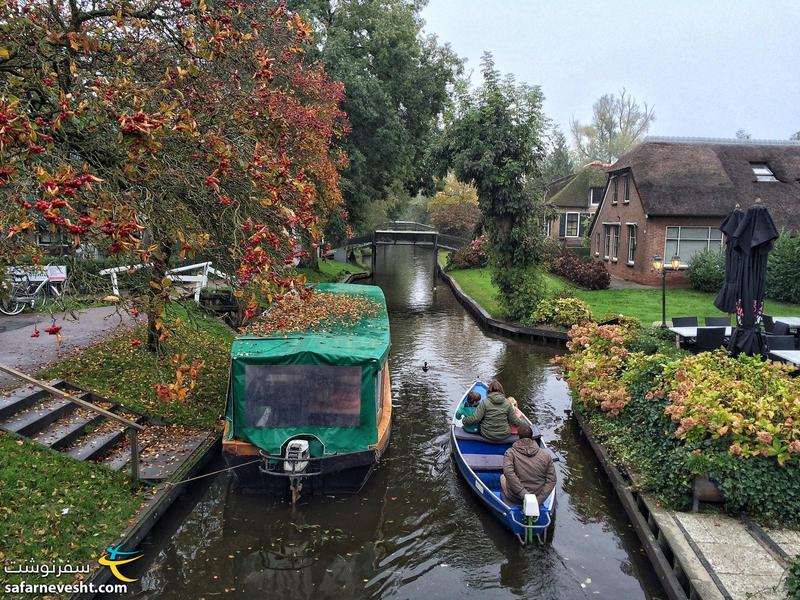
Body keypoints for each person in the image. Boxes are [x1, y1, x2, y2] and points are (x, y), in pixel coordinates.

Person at [500, 423, 556, 506]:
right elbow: (552, 480)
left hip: (516, 497)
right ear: (532, 436)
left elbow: (508, 473)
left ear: (518, 437)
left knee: (503, 477)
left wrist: (525, 495)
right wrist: (538, 500)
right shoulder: (546, 455)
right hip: (537, 496)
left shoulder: (510, 453)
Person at [457, 379, 524, 442]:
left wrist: (464, 421)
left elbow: (476, 418)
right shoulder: (507, 403)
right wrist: (526, 426)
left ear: (489, 391)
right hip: (504, 434)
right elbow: (514, 420)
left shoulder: (484, 402)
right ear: (501, 391)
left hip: (487, 434)